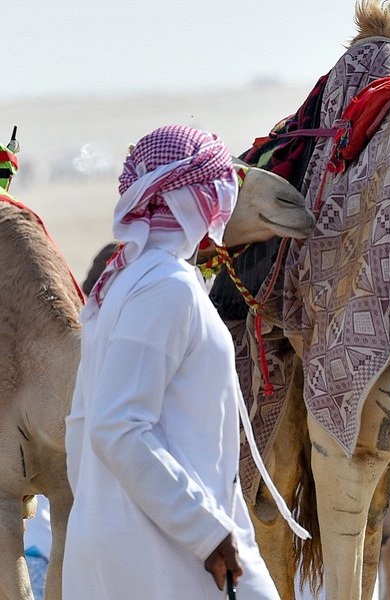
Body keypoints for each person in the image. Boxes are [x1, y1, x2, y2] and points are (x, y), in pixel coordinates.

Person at [63, 125, 279, 599]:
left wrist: (102, 513)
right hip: (170, 550)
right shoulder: (165, 287)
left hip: (134, 538)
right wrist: (203, 531)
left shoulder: (121, 285)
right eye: (218, 188)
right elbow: (116, 425)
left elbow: (82, 425)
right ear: (195, 198)